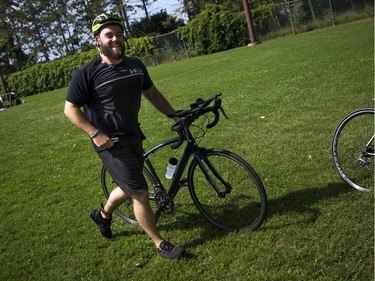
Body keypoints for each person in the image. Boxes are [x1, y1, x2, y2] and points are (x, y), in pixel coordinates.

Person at [64, 13, 184, 259]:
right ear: (98, 40)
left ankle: (103, 215)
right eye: (109, 35)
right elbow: (70, 110)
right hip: (109, 142)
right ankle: (159, 243)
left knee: (128, 186)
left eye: (118, 34)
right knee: (139, 192)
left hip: (133, 135)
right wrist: (95, 133)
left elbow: (152, 94)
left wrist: (175, 115)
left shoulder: (135, 65)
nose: (115, 38)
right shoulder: (86, 74)